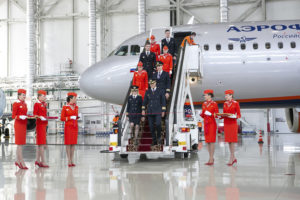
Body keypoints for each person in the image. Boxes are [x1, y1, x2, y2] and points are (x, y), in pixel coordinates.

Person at [142, 79, 166, 146]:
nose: (152, 85)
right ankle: (154, 140)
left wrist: (163, 110)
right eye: (150, 84)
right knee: (151, 127)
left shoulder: (160, 91)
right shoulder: (148, 91)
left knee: (158, 124)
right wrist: (143, 109)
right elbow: (145, 101)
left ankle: (159, 138)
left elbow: (163, 101)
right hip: (150, 111)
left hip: (158, 111)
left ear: (155, 83)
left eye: (153, 84)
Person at [222, 90, 241, 166]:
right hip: (226, 123)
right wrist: (221, 115)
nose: (225, 97)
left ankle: (231, 158)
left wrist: (235, 116)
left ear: (231, 95)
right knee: (229, 141)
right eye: (225, 95)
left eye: (226, 95)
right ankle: (233, 158)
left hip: (233, 123)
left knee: (232, 141)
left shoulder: (236, 103)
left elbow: (239, 115)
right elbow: (224, 113)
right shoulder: (225, 104)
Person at [200, 89, 219, 165]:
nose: (204, 96)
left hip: (212, 124)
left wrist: (211, 114)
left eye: (205, 95)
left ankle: (211, 158)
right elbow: (203, 114)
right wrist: (202, 114)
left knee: (212, 142)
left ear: (209, 95)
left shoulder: (214, 104)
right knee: (207, 142)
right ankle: (210, 157)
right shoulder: (204, 104)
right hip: (206, 124)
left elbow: (217, 115)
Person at [61, 92, 79, 167]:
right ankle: (68, 160)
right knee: (68, 144)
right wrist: (69, 118)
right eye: (75, 98)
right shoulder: (65, 107)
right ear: (71, 98)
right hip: (68, 127)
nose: (76, 99)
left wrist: (78, 116)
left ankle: (72, 159)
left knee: (73, 144)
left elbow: (76, 116)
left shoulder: (76, 107)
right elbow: (62, 118)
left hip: (75, 127)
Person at [12, 89, 28, 170]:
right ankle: (21, 161)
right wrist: (19, 117)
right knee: (19, 144)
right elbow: (13, 116)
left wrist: (27, 116)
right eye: (23, 95)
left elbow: (25, 114)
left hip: (23, 125)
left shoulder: (25, 104)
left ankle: (18, 161)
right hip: (18, 125)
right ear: (19, 95)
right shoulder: (16, 103)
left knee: (21, 144)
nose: (24, 96)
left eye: (25, 95)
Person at [33, 90, 49, 168]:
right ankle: (43, 161)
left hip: (44, 125)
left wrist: (44, 118)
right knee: (41, 144)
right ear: (39, 97)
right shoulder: (37, 104)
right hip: (39, 125)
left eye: (45, 96)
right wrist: (40, 117)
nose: (45, 97)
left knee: (40, 144)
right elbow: (35, 115)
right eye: (43, 96)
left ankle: (37, 160)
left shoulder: (44, 104)